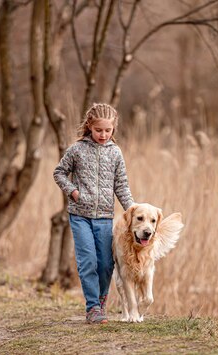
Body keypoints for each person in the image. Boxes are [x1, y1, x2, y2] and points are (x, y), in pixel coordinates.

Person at [53, 103, 134, 324]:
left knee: (107, 264)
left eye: (108, 130)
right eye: (99, 130)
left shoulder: (115, 153)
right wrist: (73, 192)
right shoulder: (77, 150)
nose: (103, 135)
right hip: (80, 216)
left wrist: (133, 210)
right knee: (88, 260)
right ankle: (92, 308)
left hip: (105, 218)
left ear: (113, 128)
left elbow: (122, 186)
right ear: (90, 126)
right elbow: (59, 173)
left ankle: (101, 299)